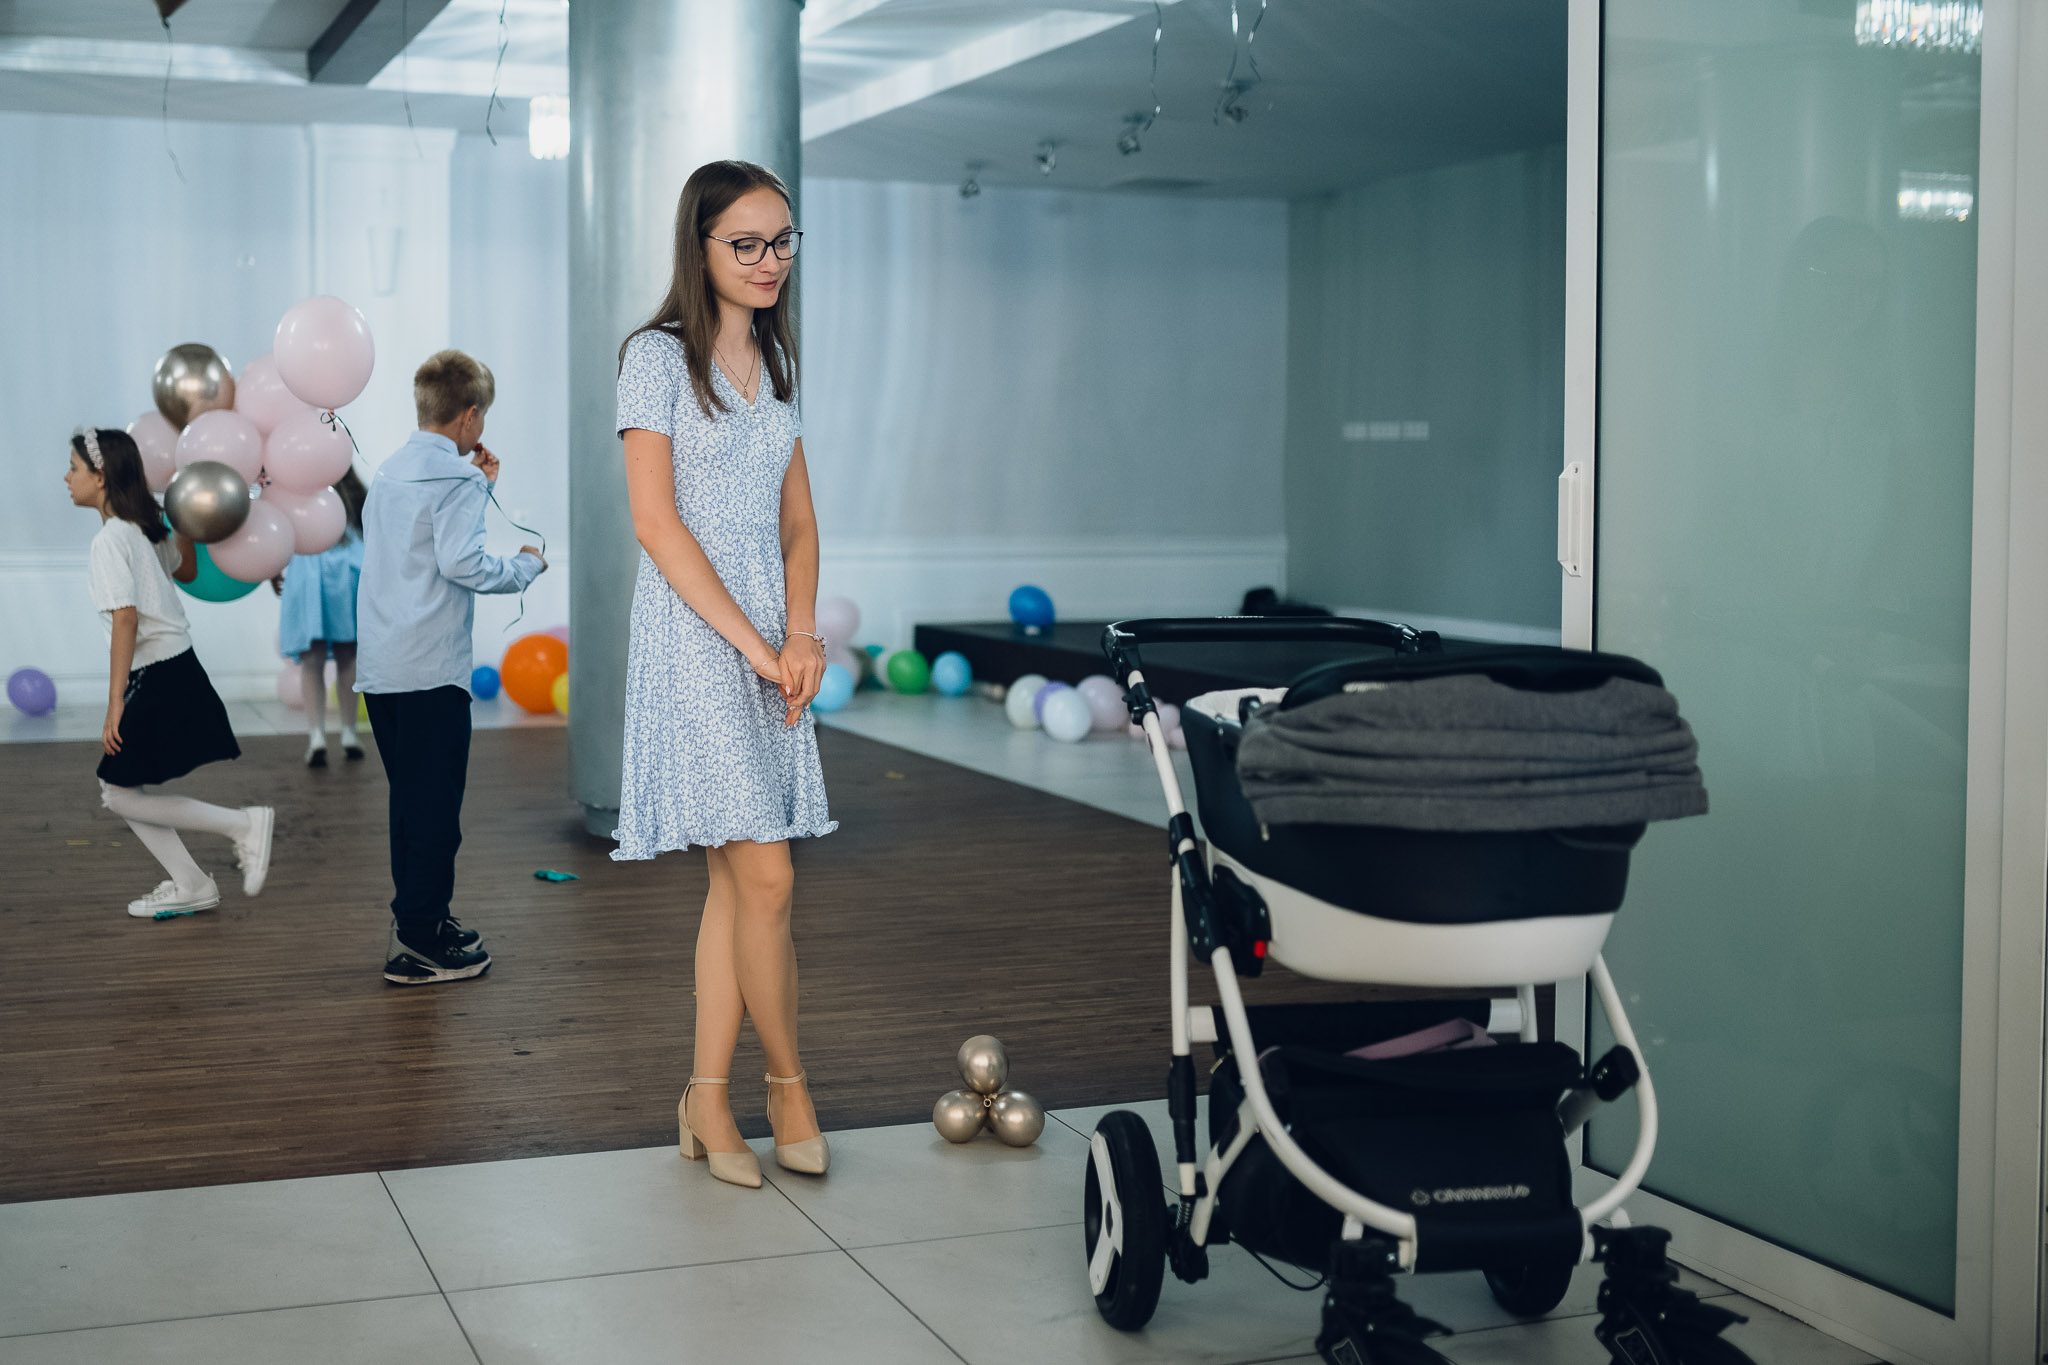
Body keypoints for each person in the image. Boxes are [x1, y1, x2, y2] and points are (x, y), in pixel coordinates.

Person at [615, 160, 834, 1189]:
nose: (768, 260)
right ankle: (788, 1086)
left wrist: (803, 634)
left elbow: (799, 523)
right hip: (696, 636)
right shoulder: (655, 357)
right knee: (768, 875)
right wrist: (756, 646)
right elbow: (655, 524)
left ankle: (706, 1099)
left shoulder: (777, 362)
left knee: (736, 884)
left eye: (781, 240)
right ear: (698, 248)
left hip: (771, 642)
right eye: (745, 243)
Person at [356, 351, 545, 986]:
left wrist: (479, 484)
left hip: (384, 668)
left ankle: (424, 919)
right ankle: (418, 945)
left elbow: (415, 548)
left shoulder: (389, 471)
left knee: (410, 806)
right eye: (481, 416)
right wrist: (526, 565)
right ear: (470, 416)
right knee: (435, 813)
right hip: (431, 671)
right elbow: (463, 564)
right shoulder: (456, 481)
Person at [65, 426, 274, 919]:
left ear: (101, 477)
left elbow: (126, 618)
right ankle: (191, 882)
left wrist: (114, 702)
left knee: (118, 792)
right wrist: (182, 518)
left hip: (160, 673)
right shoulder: (144, 527)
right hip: (174, 668)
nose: (66, 478)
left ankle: (242, 826)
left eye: (74, 468)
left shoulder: (111, 539)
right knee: (121, 790)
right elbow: (186, 571)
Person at [271, 468, 369, 767]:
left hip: (317, 573)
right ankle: (343, 734)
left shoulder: (300, 491)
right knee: (345, 655)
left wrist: (274, 567)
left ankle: (321, 737)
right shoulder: (355, 493)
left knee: (317, 658)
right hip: (340, 574)